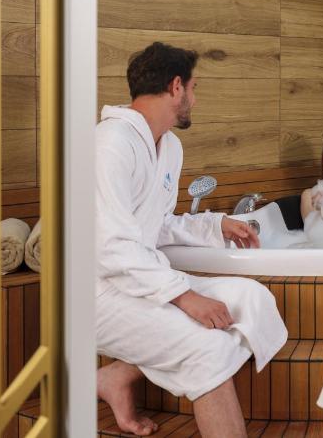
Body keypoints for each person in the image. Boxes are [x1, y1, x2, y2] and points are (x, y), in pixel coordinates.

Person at [95, 42, 287, 437]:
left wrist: (215, 226)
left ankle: (118, 375)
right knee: (207, 348)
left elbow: (155, 224)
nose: (195, 100)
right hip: (95, 292)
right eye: (194, 88)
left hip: (140, 280)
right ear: (176, 86)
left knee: (254, 299)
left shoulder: (169, 146)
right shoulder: (109, 144)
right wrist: (184, 297)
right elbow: (111, 246)